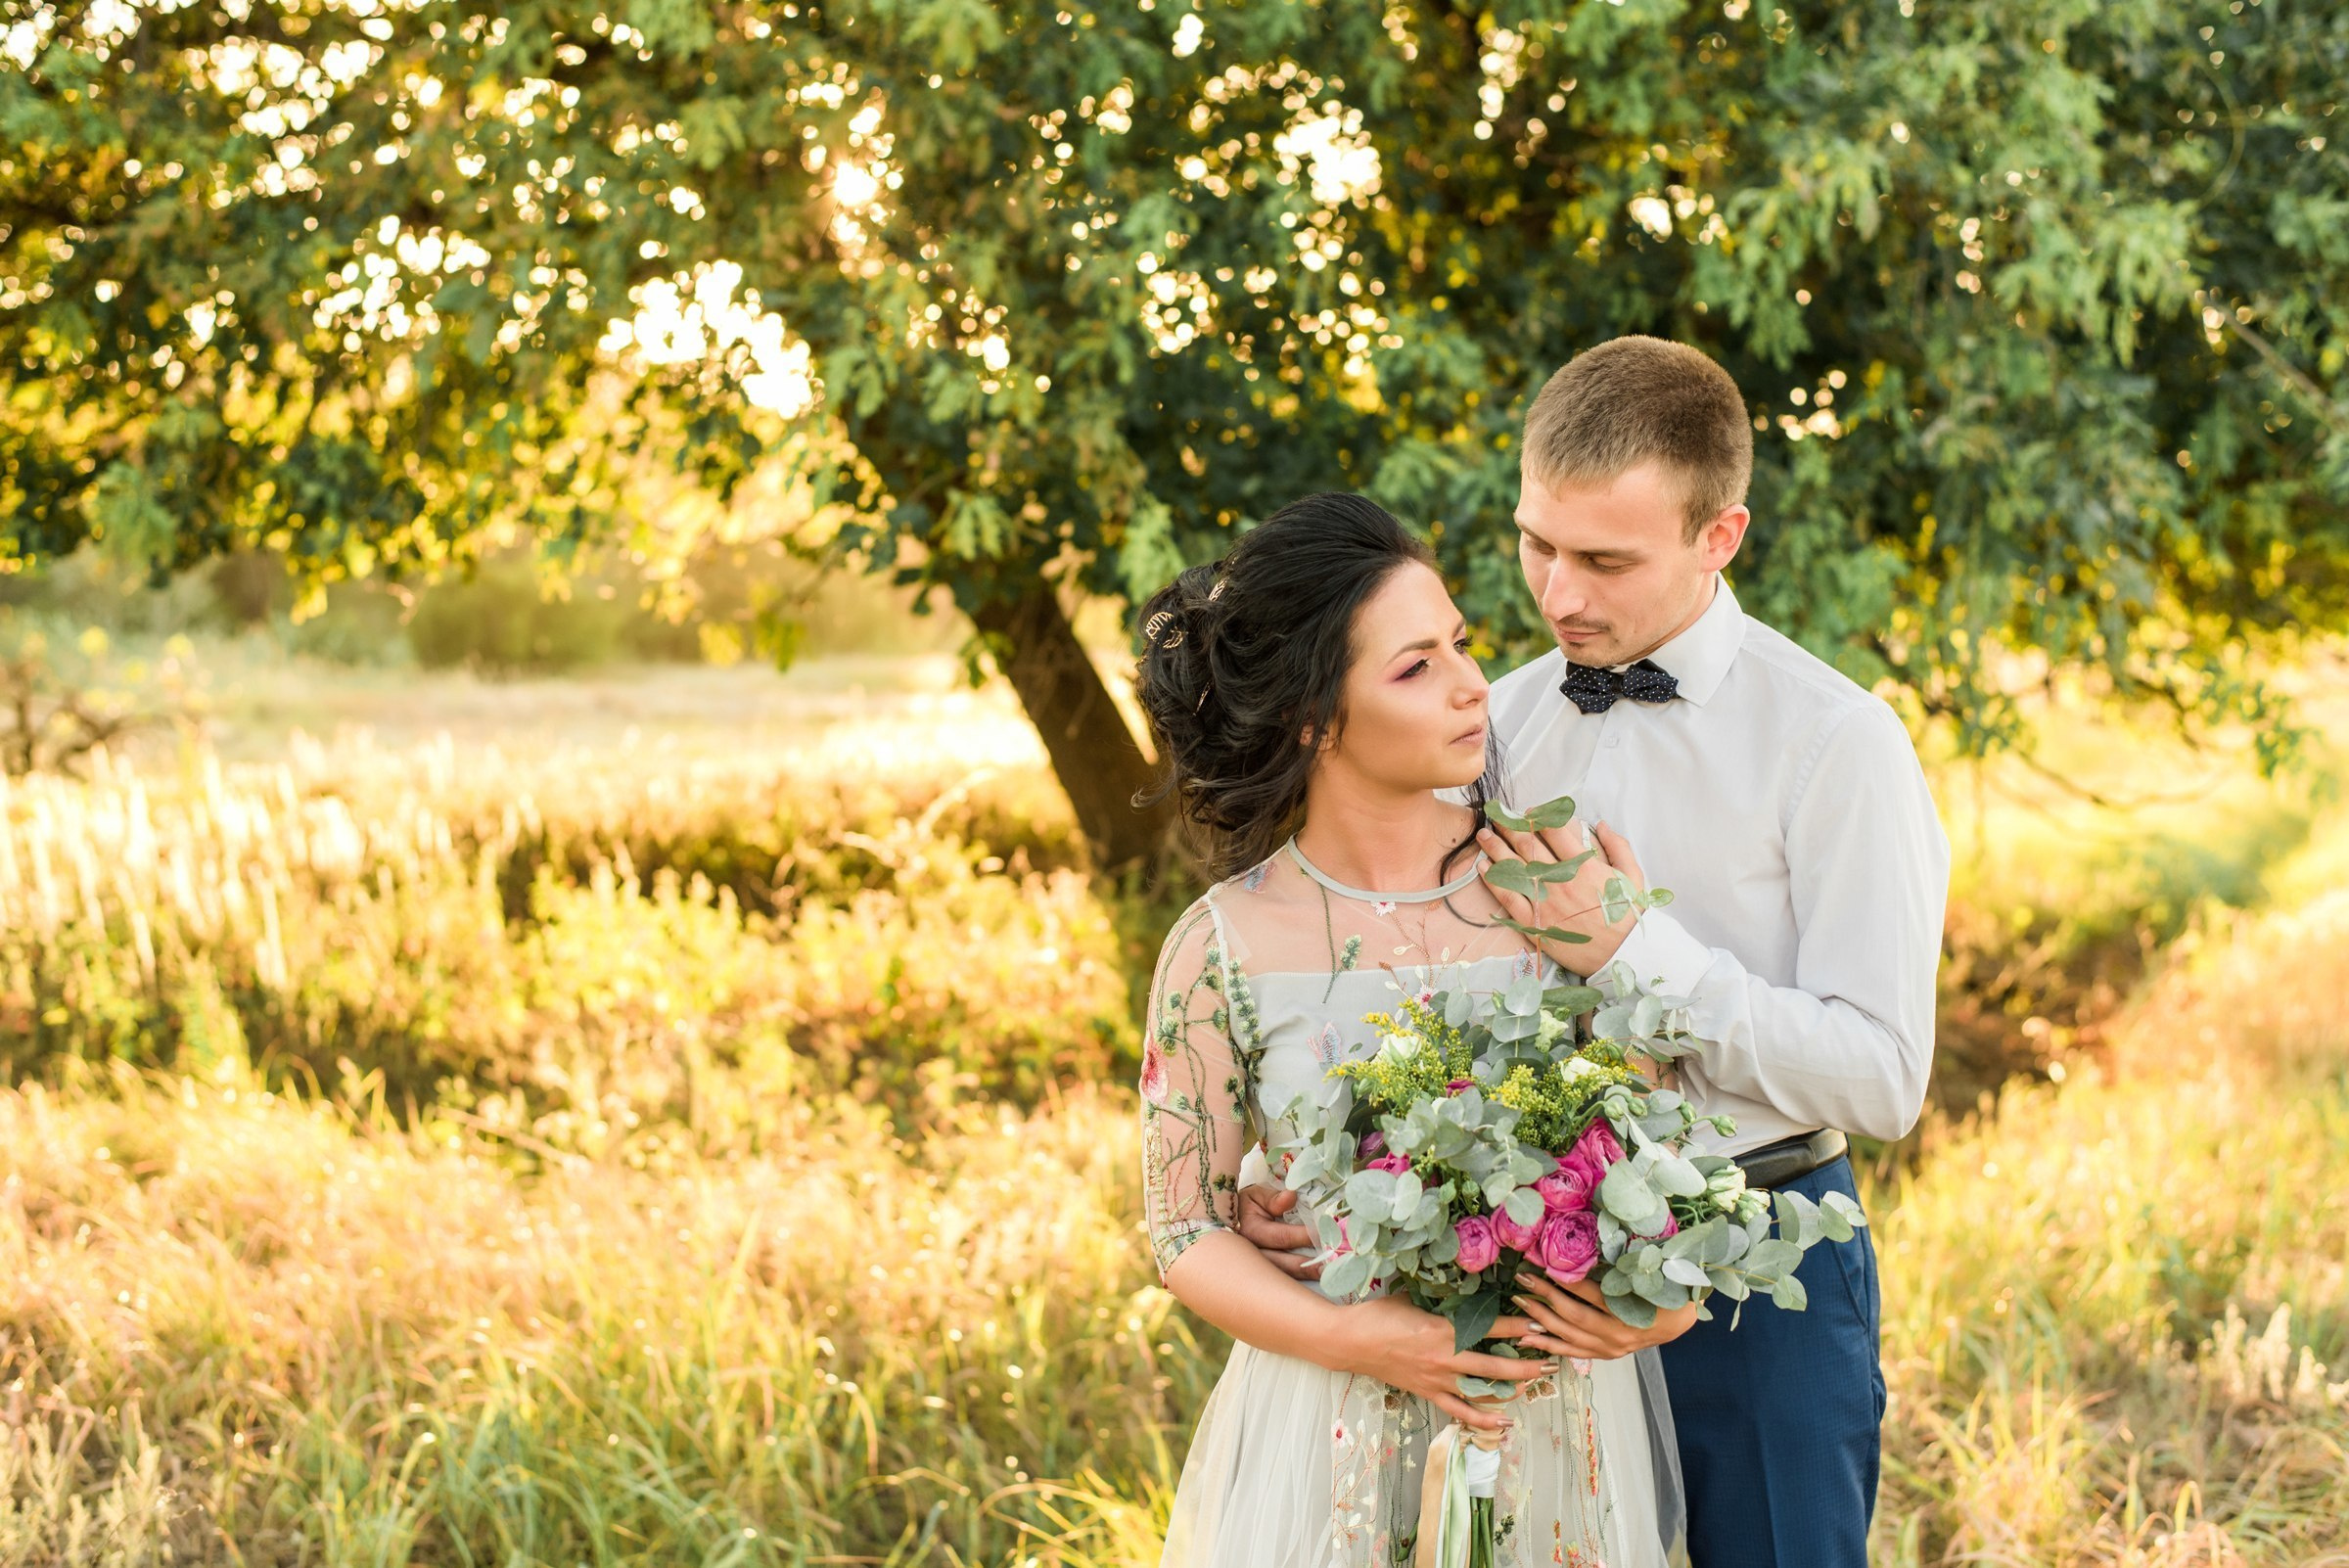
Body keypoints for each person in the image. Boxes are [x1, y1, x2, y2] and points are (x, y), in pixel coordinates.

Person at [1236, 336, 1952, 1568]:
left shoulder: (1839, 744)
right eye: (1537, 544)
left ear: (1718, 537)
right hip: (1520, 1280)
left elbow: (1883, 1077)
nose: (1558, 594)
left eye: (1605, 560)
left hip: (1756, 1268)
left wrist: (1635, 951)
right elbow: (1390, 955)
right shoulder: (1487, 719)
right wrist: (1293, 1160)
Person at [1133, 492, 1687, 1567]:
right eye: (1414, 666)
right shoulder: (1222, 947)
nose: (1475, 684)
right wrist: (1364, 1337)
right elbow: (1182, 1227)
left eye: (1462, 645)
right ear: (1313, 717)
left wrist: (1656, 1306)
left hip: (1545, 1415)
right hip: (1324, 1427)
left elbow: (1658, 1149)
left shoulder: (1548, 891)